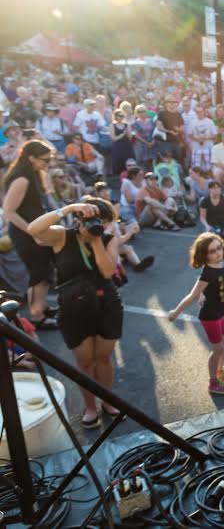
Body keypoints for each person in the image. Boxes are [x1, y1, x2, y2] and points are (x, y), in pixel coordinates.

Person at [26, 198, 123, 429]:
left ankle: (108, 401)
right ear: (80, 217)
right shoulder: (62, 236)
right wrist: (68, 208)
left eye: (103, 220)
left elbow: (108, 272)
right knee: (85, 361)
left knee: (103, 358)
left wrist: (97, 239)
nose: (98, 223)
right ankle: (90, 406)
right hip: (74, 308)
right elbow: (33, 229)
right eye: (92, 218)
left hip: (105, 305)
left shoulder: (109, 240)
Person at [168, 232, 224, 395]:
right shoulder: (208, 273)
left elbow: (205, 289)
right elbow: (192, 294)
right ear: (204, 255)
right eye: (212, 251)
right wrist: (175, 312)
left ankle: (220, 374)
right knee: (217, 349)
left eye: (219, 248)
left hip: (219, 313)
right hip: (210, 317)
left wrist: (203, 294)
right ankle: (213, 383)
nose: (217, 253)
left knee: (222, 346)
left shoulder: (219, 265)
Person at [2, 140, 58, 329]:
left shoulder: (32, 173)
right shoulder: (22, 179)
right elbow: (9, 211)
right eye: (45, 160)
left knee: (45, 271)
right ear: (31, 158)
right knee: (39, 273)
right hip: (26, 233)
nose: (47, 164)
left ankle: (42, 306)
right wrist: (32, 232)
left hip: (35, 230)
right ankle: (37, 316)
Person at [187, 106, 218, 171]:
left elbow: (215, 134)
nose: (199, 113)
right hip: (196, 147)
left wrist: (205, 138)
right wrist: (197, 139)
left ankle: (209, 179)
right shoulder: (192, 122)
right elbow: (189, 134)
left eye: (201, 112)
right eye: (197, 112)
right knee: (196, 167)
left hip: (208, 147)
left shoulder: (210, 122)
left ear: (204, 112)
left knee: (209, 166)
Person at [110, 109, 135, 176]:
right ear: (116, 116)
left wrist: (127, 133)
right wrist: (121, 135)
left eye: (123, 116)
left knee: (128, 160)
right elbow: (113, 138)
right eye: (120, 116)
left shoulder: (127, 125)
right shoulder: (112, 125)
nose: (121, 117)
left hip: (127, 146)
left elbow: (130, 138)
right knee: (118, 162)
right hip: (117, 146)